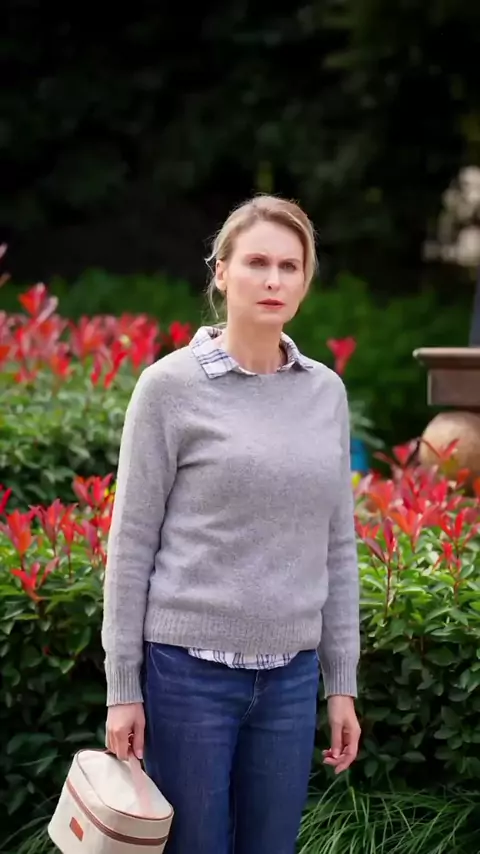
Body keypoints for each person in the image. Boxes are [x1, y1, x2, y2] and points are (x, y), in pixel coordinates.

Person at [102, 194, 361, 854]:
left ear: (305, 280)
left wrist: (342, 683)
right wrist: (122, 688)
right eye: (256, 263)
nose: (273, 280)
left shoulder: (325, 393)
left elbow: (337, 545)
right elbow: (131, 545)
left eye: (289, 266)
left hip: (290, 681)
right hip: (188, 678)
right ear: (221, 272)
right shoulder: (168, 388)